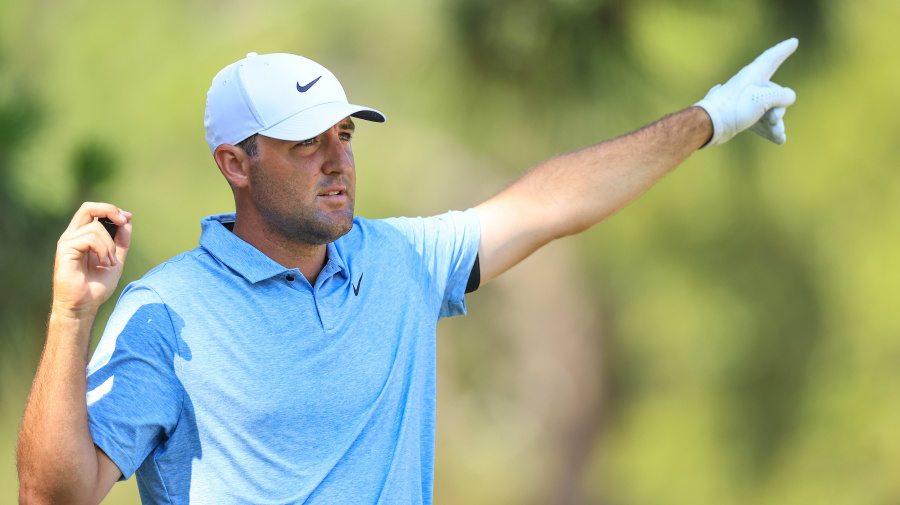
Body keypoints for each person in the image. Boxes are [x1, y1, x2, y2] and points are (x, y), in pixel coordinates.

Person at [16, 39, 798, 504]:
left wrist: (710, 117)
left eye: (345, 135)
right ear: (235, 163)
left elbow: (551, 203)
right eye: (303, 142)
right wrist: (70, 318)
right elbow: (53, 495)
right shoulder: (168, 310)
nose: (337, 161)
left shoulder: (397, 261)